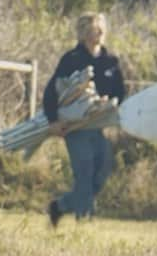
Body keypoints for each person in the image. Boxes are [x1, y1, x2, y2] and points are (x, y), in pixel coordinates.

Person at [44, 12, 126, 226]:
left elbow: (120, 90)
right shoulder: (71, 59)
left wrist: (112, 101)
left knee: (102, 172)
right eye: (93, 29)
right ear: (83, 33)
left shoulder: (110, 61)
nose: (98, 33)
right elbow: (52, 91)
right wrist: (53, 120)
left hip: (99, 127)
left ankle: (60, 206)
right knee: (85, 172)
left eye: (100, 28)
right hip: (76, 127)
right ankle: (85, 221)